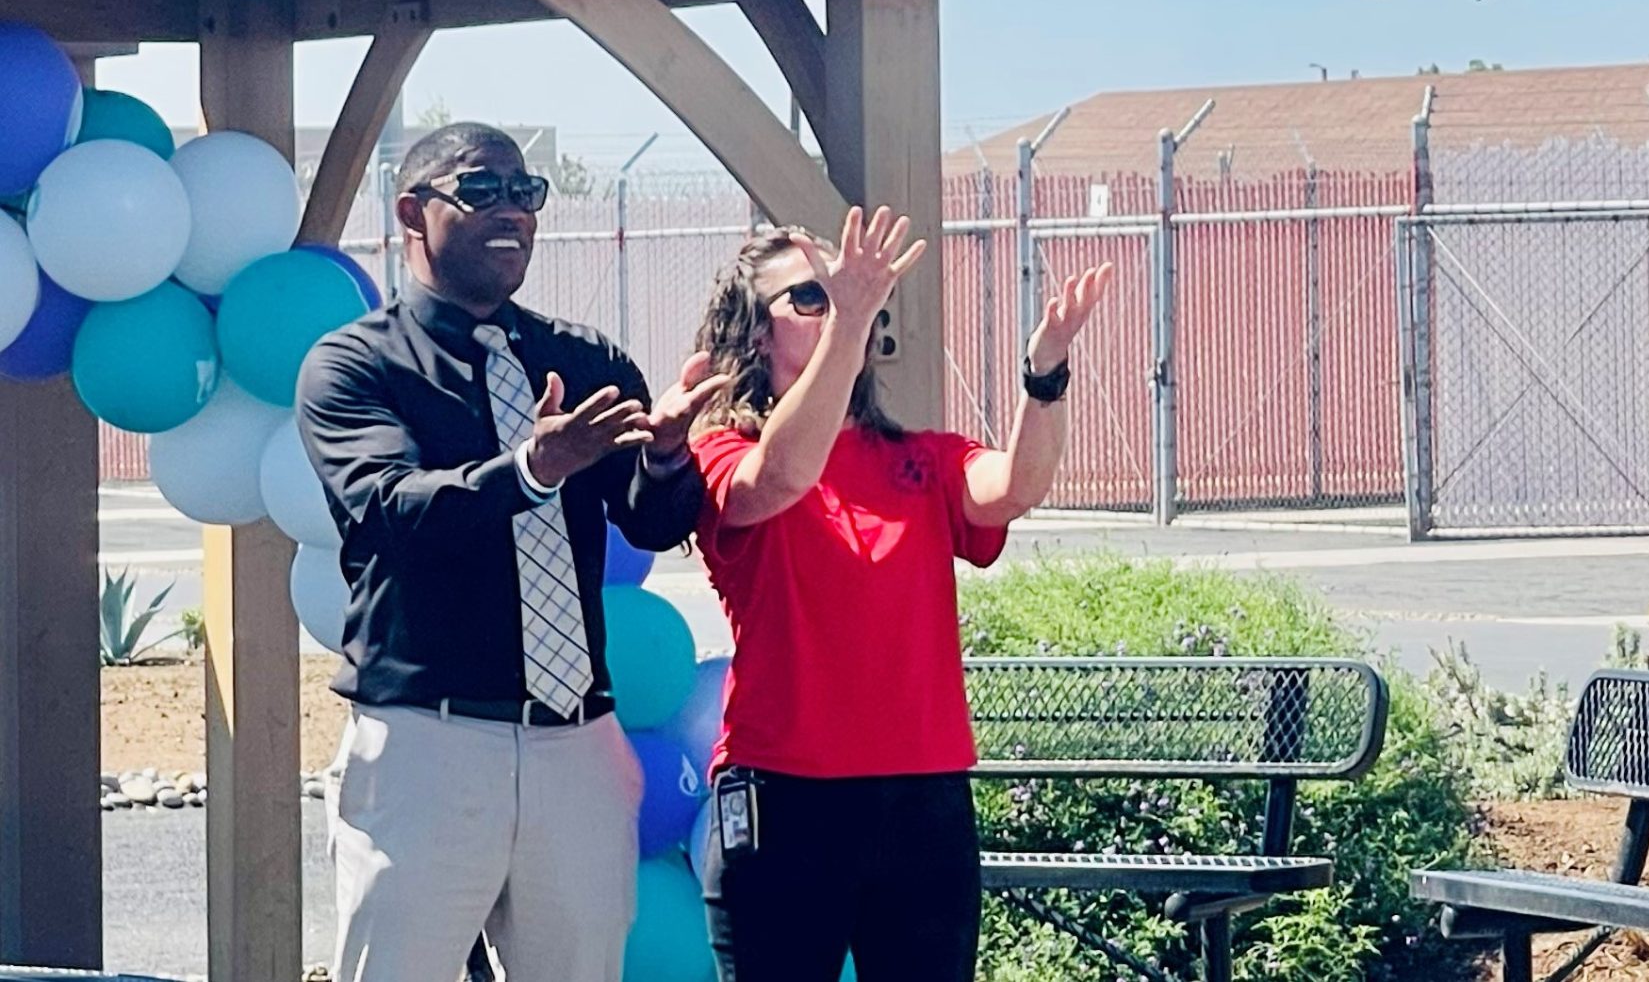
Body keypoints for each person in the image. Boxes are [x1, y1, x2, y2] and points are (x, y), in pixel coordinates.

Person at [298, 123, 716, 982]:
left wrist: (668, 458)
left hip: (577, 750)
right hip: (427, 742)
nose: (513, 212)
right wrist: (530, 470)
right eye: (481, 190)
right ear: (413, 211)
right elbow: (385, 510)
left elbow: (646, 520)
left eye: (526, 194)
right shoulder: (354, 364)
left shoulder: (582, 358)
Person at [680, 205, 1111, 982]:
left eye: (843, 294)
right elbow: (778, 478)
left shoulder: (920, 456)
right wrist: (848, 325)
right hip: (785, 798)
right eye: (809, 297)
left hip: (921, 801)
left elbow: (1014, 488)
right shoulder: (721, 449)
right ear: (754, 336)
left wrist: (1044, 375)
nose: (842, 301)